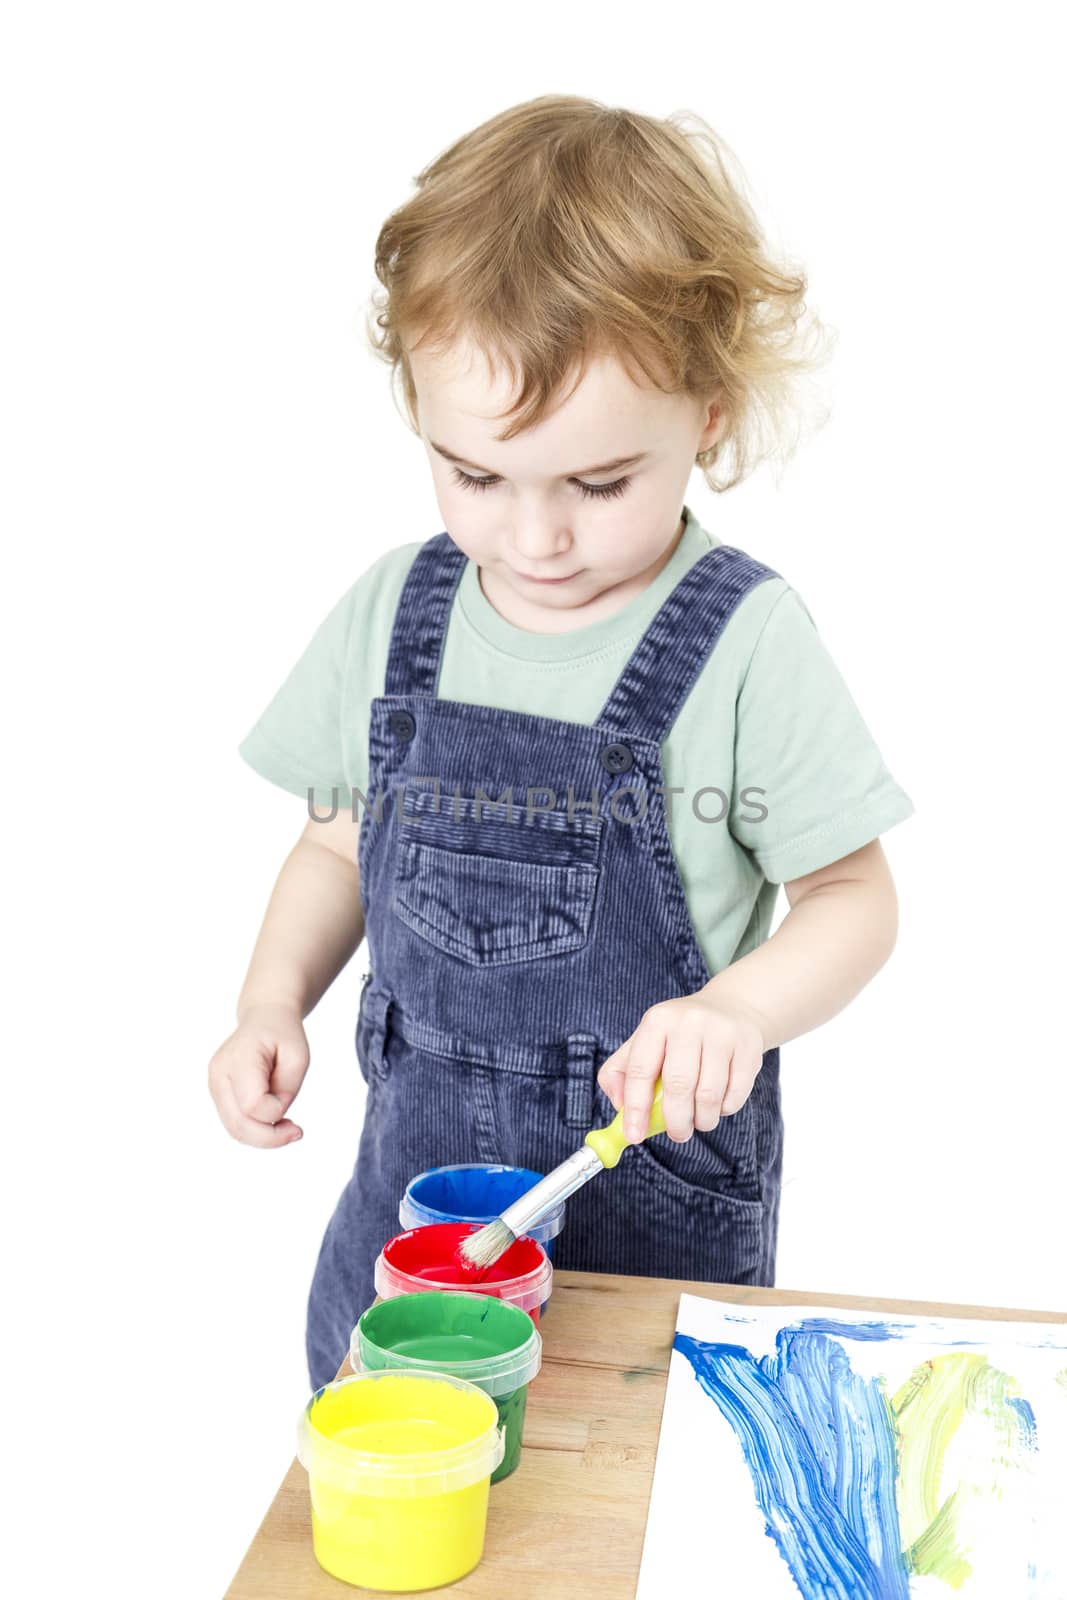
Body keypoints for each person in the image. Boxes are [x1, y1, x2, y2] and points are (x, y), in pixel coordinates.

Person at [208, 95, 915, 1391]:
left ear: (707, 411)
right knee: (409, 1483)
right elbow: (332, 846)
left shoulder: (743, 642)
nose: (534, 539)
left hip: (649, 1202)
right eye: (477, 476)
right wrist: (271, 1000)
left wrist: (735, 1011)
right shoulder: (395, 611)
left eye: (599, 485)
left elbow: (853, 897)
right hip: (418, 1212)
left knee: (620, 1499)